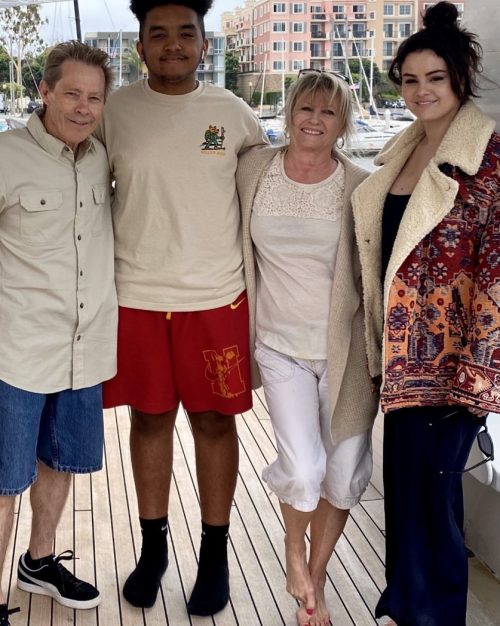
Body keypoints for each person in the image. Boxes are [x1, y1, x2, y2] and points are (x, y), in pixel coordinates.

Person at [96, 0, 267, 617]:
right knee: (148, 420)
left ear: (203, 43)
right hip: (136, 296)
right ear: (140, 45)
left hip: (215, 298)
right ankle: (153, 550)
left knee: (215, 423)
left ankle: (215, 556)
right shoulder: (114, 112)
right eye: (159, 34)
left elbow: (275, 187)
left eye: (185, 33)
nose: (173, 44)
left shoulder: (234, 113)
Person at [352, 3, 500, 625]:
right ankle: (408, 604)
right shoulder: (403, 152)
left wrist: (480, 370)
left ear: (461, 76)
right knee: (408, 493)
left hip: (454, 363)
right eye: (410, 80)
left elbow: (496, 272)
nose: (421, 91)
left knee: (435, 498)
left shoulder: (488, 159)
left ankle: (434, 614)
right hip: (400, 358)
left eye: (435, 78)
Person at [236, 70, 379, 626]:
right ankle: (293, 551)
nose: (314, 120)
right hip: (278, 347)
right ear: (290, 111)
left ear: (343, 124)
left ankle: (315, 579)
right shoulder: (254, 170)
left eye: (328, 111)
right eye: (306, 108)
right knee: (302, 468)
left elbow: (378, 273)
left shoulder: (361, 185)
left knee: (341, 475)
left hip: (347, 356)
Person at [0, 41, 117, 626]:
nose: (83, 107)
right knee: (4, 481)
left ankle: (39, 561)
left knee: (60, 461)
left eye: (94, 97)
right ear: (44, 91)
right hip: (16, 350)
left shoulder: (101, 158)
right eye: (72, 94)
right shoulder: (6, 156)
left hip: (84, 347)